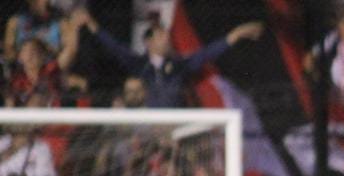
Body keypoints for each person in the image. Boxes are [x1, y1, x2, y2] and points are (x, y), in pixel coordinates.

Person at [72, 9, 263, 108]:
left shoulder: (180, 65)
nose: (167, 39)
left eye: (167, 35)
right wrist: (92, 25)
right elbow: (114, 46)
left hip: (177, 127)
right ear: (148, 42)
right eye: (161, 35)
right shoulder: (139, 65)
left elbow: (208, 53)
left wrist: (236, 34)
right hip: (148, 128)